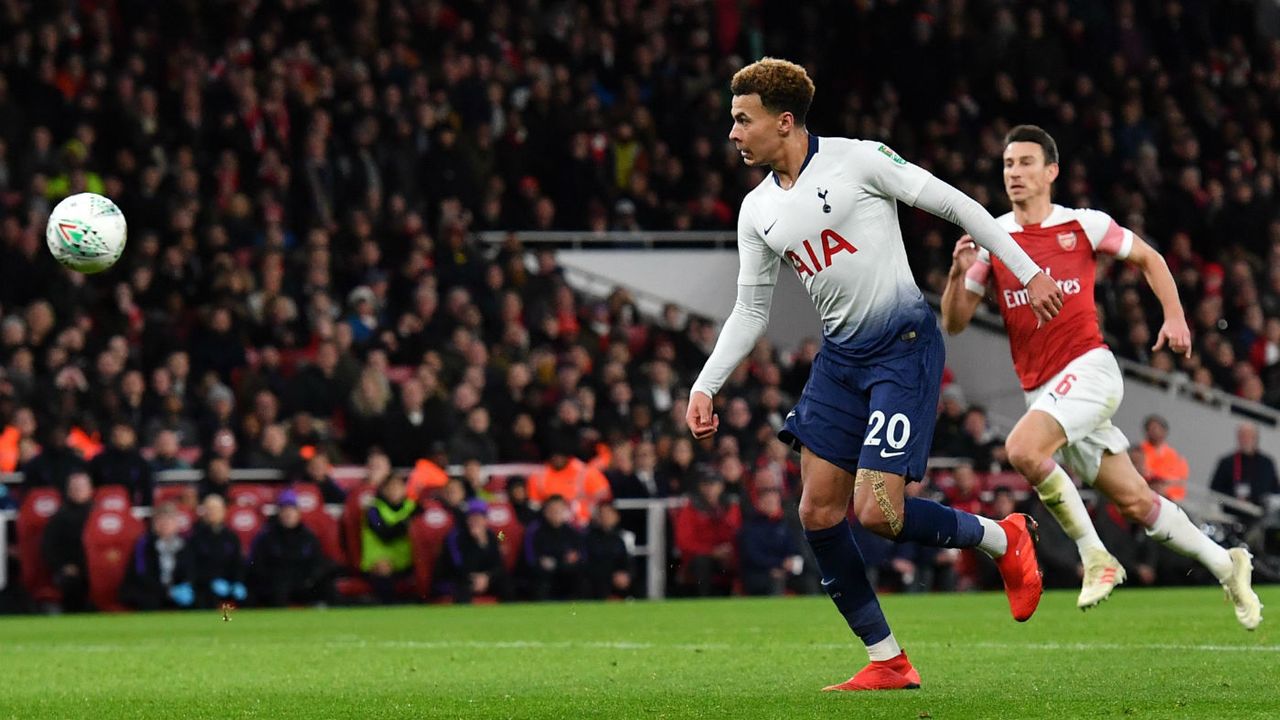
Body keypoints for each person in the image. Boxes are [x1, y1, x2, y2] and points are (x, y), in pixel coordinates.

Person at [686, 58, 1059, 691]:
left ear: (784, 122)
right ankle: (888, 659)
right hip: (839, 359)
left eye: (742, 121)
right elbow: (751, 310)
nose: (733, 133)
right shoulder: (756, 212)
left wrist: (1027, 270)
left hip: (903, 344)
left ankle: (1003, 536)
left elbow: (958, 204)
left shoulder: (858, 160)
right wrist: (705, 383)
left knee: (878, 510)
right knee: (818, 511)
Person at [941, 124, 1261, 629]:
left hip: (1089, 368)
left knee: (1023, 450)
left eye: (1025, 163)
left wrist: (1174, 316)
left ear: (1051, 171)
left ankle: (1096, 556)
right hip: (1042, 391)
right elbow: (954, 322)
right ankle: (1228, 563)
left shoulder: (1083, 225)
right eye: (1007, 165)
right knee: (1136, 502)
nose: (1014, 173)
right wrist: (958, 273)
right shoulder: (993, 240)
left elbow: (1149, 258)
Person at [248, 490, 337, 607]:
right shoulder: (266, 537)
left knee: (327, 586)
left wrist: (310, 578)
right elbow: (258, 565)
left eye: (292, 510)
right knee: (276, 590)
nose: (288, 514)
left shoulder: (308, 536)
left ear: (298, 513)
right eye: (285, 510)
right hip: (276, 586)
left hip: (303, 584)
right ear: (279, 513)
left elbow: (317, 561)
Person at [119, 503, 197, 611]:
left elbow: (190, 569)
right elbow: (141, 574)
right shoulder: (144, 544)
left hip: (176, 590)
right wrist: (167, 592)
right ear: (155, 524)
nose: (166, 524)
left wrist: (186, 584)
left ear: (176, 523)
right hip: (150, 590)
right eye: (161, 520)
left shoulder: (184, 544)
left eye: (170, 520)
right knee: (149, 600)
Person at [438, 499, 511, 603]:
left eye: (479, 517)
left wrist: (487, 577)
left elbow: (499, 564)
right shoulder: (454, 537)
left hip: (485, 578)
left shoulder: (494, 535)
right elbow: (460, 567)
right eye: (472, 517)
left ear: (486, 520)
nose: (476, 521)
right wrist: (477, 542)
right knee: (462, 588)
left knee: (506, 584)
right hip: (458, 579)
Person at [41, 471, 95, 612]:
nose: (78, 491)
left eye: (81, 487)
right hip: (72, 569)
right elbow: (48, 547)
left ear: (90, 489)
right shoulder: (59, 518)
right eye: (74, 488)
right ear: (68, 490)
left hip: (97, 568)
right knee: (71, 583)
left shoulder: (99, 514)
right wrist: (63, 566)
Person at [738, 486, 805, 596]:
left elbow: (795, 549)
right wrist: (777, 564)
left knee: (809, 579)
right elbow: (752, 556)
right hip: (759, 573)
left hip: (786, 571)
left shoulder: (786, 524)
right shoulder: (750, 527)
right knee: (774, 581)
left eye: (774, 502)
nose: (772, 505)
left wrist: (789, 565)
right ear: (759, 503)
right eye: (768, 502)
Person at [360, 473, 417, 603]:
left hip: (407, 558)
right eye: (391, 487)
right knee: (384, 568)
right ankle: (386, 605)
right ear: (383, 489)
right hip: (378, 560)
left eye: (398, 487)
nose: (394, 491)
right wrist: (406, 523)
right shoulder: (373, 510)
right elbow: (384, 533)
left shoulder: (413, 507)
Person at [520, 495, 587, 601]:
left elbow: (581, 554)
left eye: (559, 510)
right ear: (545, 511)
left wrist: (575, 557)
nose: (556, 513)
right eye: (552, 510)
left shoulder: (572, 531)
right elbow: (529, 558)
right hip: (543, 574)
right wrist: (540, 561)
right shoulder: (534, 531)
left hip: (566, 572)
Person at [188, 494, 247, 608]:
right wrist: (210, 582)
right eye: (209, 509)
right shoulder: (194, 537)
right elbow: (192, 567)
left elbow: (238, 563)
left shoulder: (232, 537)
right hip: (205, 587)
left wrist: (237, 582)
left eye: (216, 509)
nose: (212, 512)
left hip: (229, 585)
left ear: (224, 511)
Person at [1210, 423, 1280, 517]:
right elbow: (1215, 491)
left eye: (1249, 436)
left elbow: (1275, 492)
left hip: (1259, 516)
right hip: (1230, 514)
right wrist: (1230, 500)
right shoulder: (1227, 462)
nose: (1246, 440)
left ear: (1256, 438)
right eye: (1243, 436)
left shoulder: (1267, 463)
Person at [584, 501, 633, 599]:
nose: (606, 517)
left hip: (616, 579)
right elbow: (588, 564)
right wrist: (612, 576)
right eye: (602, 514)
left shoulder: (619, 538)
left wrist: (625, 574)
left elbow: (626, 560)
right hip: (597, 581)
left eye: (609, 513)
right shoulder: (589, 538)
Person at [1139, 415, 1191, 502]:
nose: (1154, 432)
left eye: (1156, 428)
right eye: (1150, 429)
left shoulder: (1175, 456)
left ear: (1164, 431)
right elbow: (1144, 473)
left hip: (1169, 499)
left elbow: (1180, 481)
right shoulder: (1139, 451)